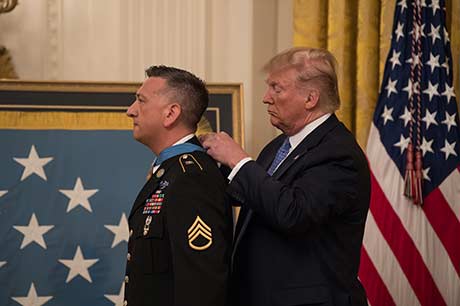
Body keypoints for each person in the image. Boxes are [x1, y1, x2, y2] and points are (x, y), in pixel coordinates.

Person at [200, 47, 371, 306]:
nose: (266, 98)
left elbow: (292, 213)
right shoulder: (281, 145)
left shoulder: (338, 152)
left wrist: (239, 160)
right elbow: (257, 198)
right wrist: (217, 164)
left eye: (276, 88)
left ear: (310, 98)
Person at [125, 65, 232, 306]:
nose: (130, 111)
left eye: (140, 101)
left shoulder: (192, 178)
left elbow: (202, 285)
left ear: (171, 113)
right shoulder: (170, 172)